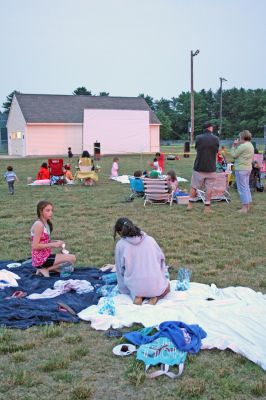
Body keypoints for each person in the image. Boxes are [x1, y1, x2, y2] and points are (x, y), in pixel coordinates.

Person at [114, 217, 170, 306]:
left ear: (120, 232)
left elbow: (120, 270)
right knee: (167, 287)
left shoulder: (120, 245)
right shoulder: (150, 240)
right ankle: (155, 297)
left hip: (135, 287)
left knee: (136, 285)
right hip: (155, 284)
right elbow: (161, 260)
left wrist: (123, 290)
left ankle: (138, 297)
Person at [31, 200, 76, 277]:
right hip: (40, 259)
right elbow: (34, 246)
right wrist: (53, 244)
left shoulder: (46, 223)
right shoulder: (39, 225)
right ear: (41, 211)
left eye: (52, 210)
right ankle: (44, 269)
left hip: (45, 255)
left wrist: (56, 242)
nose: (51, 213)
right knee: (72, 258)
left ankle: (46, 268)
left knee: (70, 265)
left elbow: (43, 240)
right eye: (48, 210)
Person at [187, 122, 219, 213]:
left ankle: (190, 204)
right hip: (211, 167)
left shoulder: (198, 138)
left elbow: (197, 149)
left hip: (199, 166)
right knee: (209, 188)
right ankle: (207, 207)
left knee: (194, 186)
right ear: (210, 128)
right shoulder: (216, 138)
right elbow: (216, 151)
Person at [231, 130, 254, 213]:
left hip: (241, 168)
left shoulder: (243, 146)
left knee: (242, 188)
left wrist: (234, 146)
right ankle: (247, 205)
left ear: (243, 137)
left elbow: (234, 155)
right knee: (246, 187)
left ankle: (244, 207)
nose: (239, 139)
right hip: (248, 168)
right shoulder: (250, 145)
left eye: (240, 137)